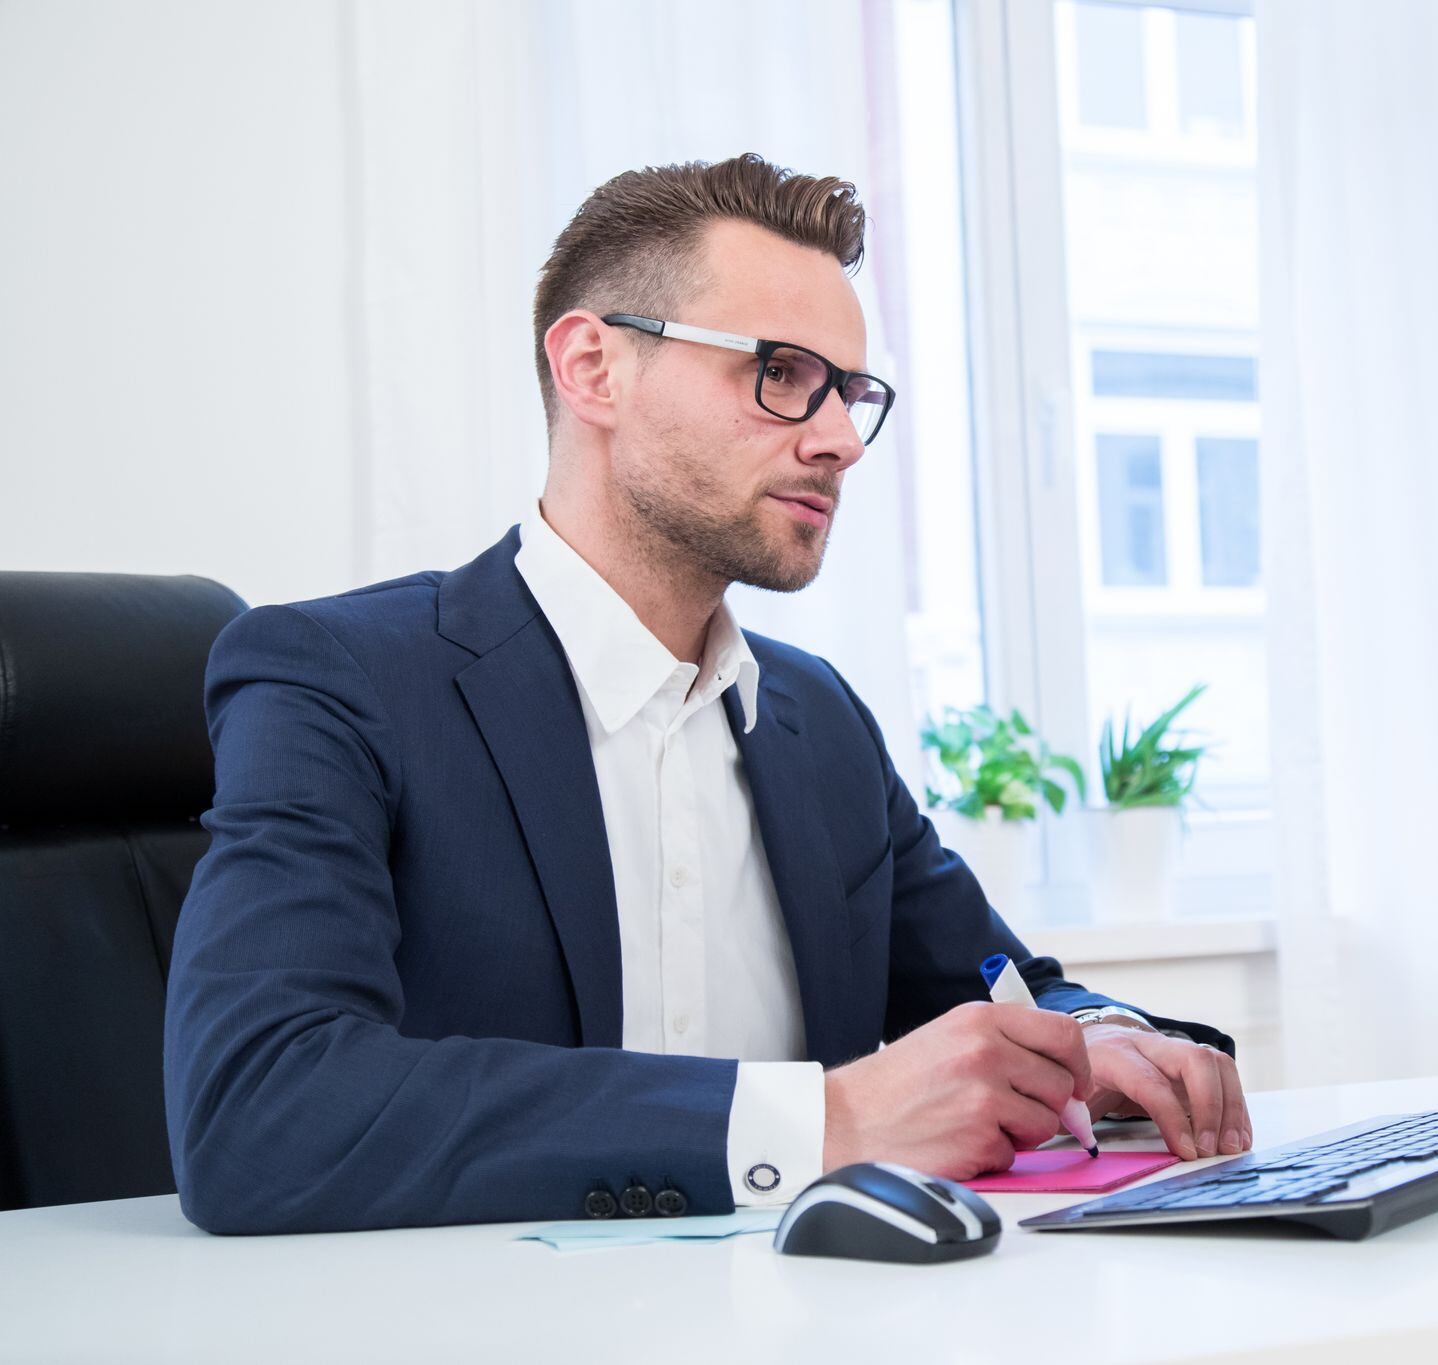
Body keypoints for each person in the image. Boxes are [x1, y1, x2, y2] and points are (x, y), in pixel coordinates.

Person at [164, 154, 1248, 1234]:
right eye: (781, 372)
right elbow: (260, 1109)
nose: (834, 440)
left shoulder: (812, 719)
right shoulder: (337, 679)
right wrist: (817, 1123)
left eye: (850, 394)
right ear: (593, 368)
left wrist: (1094, 1036)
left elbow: (997, 984)